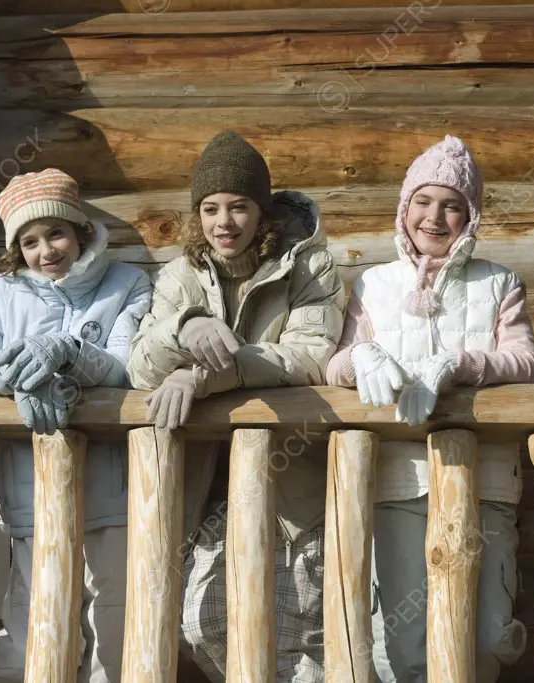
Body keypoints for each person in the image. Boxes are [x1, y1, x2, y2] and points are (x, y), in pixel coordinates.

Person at [127, 130, 345, 682]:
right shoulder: (178, 278)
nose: (224, 222)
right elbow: (140, 364)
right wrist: (187, 327)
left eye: (238, 206)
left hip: (293, 482)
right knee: (201, 623)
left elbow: (310, 358)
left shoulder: (309, 269)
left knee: (303, 635)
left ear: (261, 211)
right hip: (207, 490)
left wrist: (204, 378)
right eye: (210, 208)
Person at [326, 135, 534, 683]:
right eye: (424, 201)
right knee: (403, 641)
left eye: (452, 204)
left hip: (484, 479)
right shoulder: (374, 283)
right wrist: (362, 358)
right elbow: (336, 366)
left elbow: (525, 361)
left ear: (469, 216)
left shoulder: (499, 282)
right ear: (405, 207)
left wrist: (461, 363)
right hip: (397, 483)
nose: (435, 216)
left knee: (488, 632)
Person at [0, 168, 152, 683]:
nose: (46, 250)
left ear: (80, 229)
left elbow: (128, 365)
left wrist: (68, 354)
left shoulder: (126, 283)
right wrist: (18, 376)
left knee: (116, 615)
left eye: (56, 233)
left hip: (113, 487)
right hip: (29, 488)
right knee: (34, 612)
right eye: (30, 241)